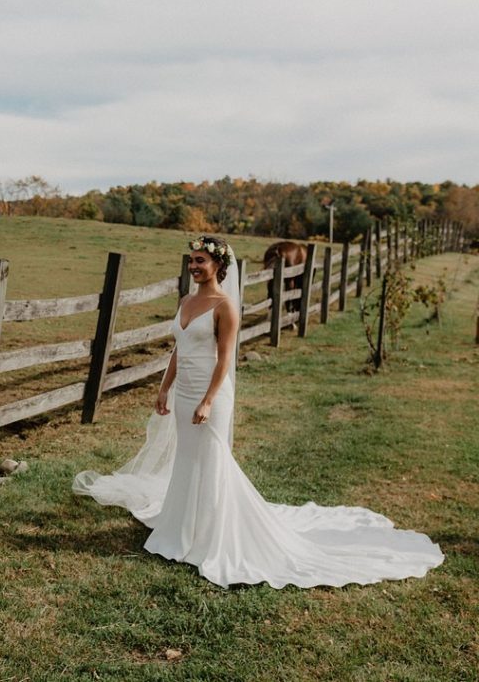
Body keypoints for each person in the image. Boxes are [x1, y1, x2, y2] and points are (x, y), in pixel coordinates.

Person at [74, 236, 444, 589]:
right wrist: (164, 387)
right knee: (187, 457)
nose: (194, 266)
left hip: (212, 393)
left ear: (218, 265)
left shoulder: (225, 307)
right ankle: (182, 525)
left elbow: (224, 360)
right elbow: (179, 349)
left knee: (211, 457)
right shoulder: (187, 301)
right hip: (184, 391)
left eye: (200, 261)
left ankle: (214, 531)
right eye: (191, 261)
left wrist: (207, 401)